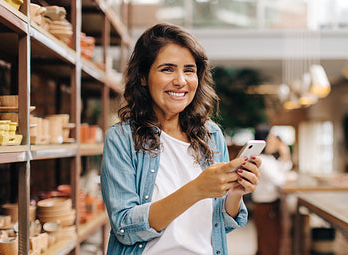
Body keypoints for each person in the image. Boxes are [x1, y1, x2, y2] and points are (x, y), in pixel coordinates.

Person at [100, 23, 262, 255]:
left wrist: (235, 192)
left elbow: (220, 225)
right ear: (144, 77)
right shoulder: (122, 138)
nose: (180, 81)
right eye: (167, 69)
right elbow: (125, 227)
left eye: (189, 70)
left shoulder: (212, 135)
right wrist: (197, 189)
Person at [251, 125, 292, 255]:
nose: (276, 141)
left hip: (270, 206)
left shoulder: (269, 159)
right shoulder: (261, 160)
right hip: (266, 207)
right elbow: (279, 180)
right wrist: (285, 156)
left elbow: (283, 170)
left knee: (269, 243)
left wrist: (285, 156)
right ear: (265, 140)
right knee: (268, 245)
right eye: (272, 138)